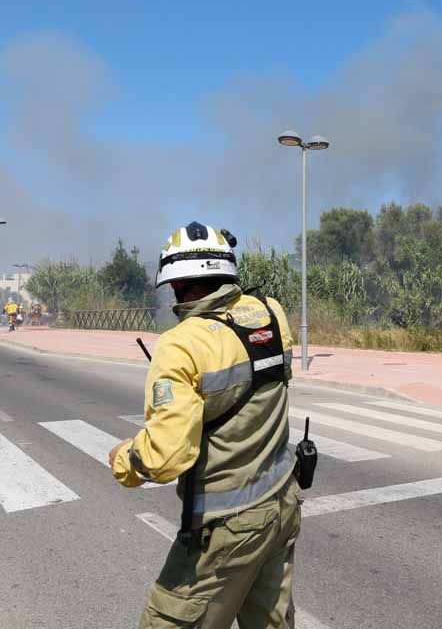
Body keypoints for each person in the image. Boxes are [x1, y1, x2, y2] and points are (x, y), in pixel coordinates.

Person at [109, 221, 301, 629]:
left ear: (177, 286)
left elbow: (166, 457)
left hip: (225, 526)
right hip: (282, 503)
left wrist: (125, 460)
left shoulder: (182, 343)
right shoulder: (272, 312)